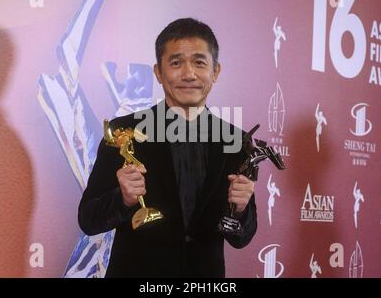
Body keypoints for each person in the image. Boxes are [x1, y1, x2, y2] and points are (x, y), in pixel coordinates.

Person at [78, 18, 258, 277]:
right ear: (158, 72)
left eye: (199, 62)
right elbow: (88, 219)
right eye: (176, 63)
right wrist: (123, 198)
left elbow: (241, 239)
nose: (188, 74)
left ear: (215, 71)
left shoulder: (237, 141)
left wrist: (241, 209)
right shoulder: (123, 133)